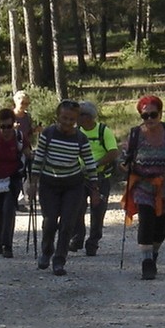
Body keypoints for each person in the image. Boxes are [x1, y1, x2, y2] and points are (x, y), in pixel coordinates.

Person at [119, 95, 165, 280]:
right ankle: (147, 263)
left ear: (160, 113)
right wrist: (125, 164)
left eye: (153, 114)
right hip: (143, 185)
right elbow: (123, 157)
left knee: (160, 226)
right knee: (146, 221)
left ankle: (153, 255)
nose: (150, 119)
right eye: (145, 116)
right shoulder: (135, 134)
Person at [27, 99, 98, 276]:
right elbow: (39, 158)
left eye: (71, 119)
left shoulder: (80, 138)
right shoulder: (48, 134)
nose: (67, 123)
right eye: (64, 118)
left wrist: (95, 188)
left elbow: (89, 163)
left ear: (76, 120)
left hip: (73, 185)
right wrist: (33, 183)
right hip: (49, 184)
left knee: (67, 223)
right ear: (58, 116)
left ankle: (59, 260)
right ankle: (47, 251)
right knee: (49, 221)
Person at [69, 101, 119, 256]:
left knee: (98, 210)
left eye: (81, 115)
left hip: (100, 177)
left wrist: (95, 164)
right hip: (80, 176)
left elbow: (113, 152)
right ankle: (77, 238)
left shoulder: (103, 131)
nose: (78, 118)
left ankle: (93, 242)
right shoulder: (76, 132)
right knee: (77, 208)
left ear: (89, 117)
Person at [0, 108, 25, 258]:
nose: (6, 130)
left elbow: (27, 152)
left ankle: (7, 245)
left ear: (14, 124)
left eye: (9, 126)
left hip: (13, 179)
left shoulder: (19, 137)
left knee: (9, 209)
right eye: (3, 126)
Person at [12, 90, 39, 212]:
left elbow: (29, 132)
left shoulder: (27, 117)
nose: (24, 106)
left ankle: (27, 198)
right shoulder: (11, 115)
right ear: (16, 102)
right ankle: (17, 200)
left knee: (27, 174)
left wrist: (36, 130)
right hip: (13, 149)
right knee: (17, 174)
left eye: (27, 103)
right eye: (22, 103)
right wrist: (12, 129)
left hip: (26, 148)